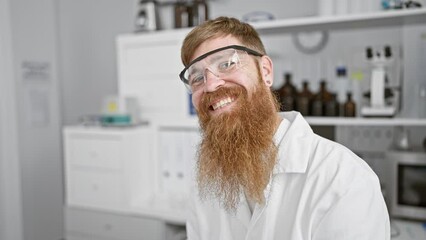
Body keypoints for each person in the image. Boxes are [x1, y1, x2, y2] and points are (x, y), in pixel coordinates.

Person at [178, 16, 390, 240]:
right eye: (197, 77)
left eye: (227, 63)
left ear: (266, 71)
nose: (210, 84)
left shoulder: (344, 179)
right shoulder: (207, 183)